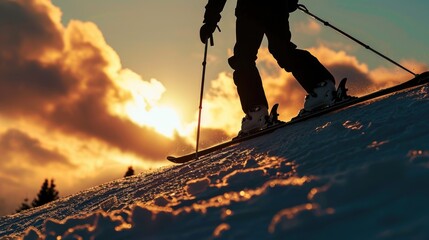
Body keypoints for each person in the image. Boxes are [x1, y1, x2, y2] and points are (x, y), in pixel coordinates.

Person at [200, 0, 336, 135]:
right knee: (281, 50)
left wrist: (210, 21)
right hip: (275, 5)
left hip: (250, 9)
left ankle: (256, 111)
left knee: (245, 58)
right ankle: (321, 86)